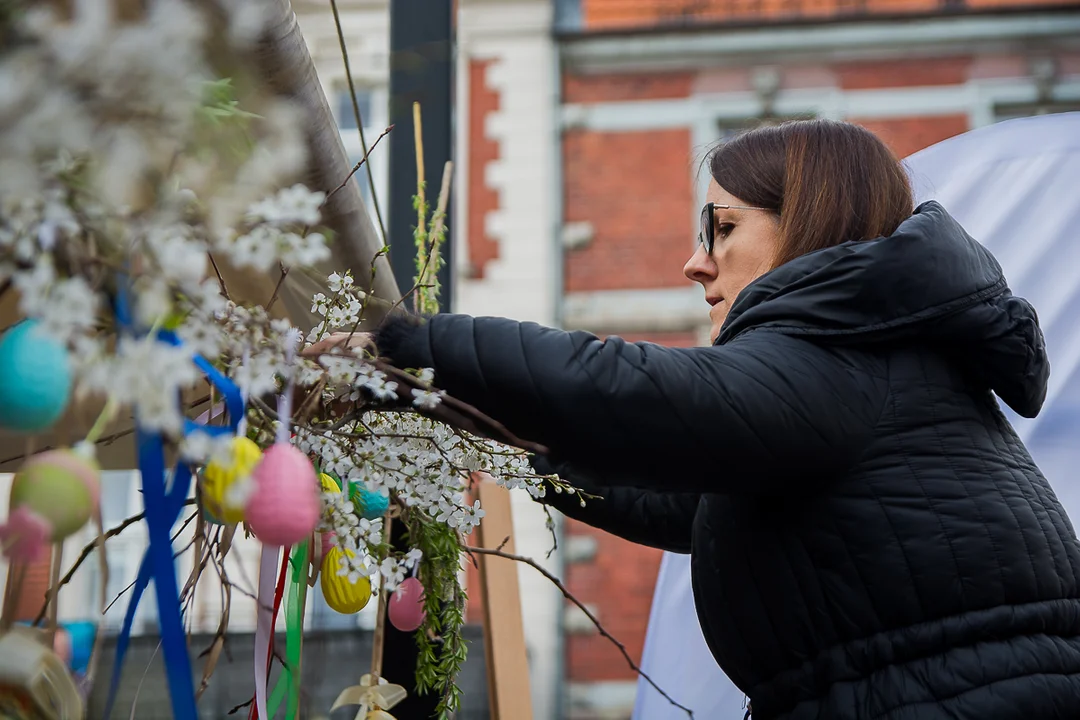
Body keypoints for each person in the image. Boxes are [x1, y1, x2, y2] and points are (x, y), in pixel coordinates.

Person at [322, 119, 1080, 719]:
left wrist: (410, 349)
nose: (695, 261)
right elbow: (675, 497)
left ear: (807, 221)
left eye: (720, 227)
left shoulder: (840, 361)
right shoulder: (869, 360)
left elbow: (630, 390)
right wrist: (466, 422)